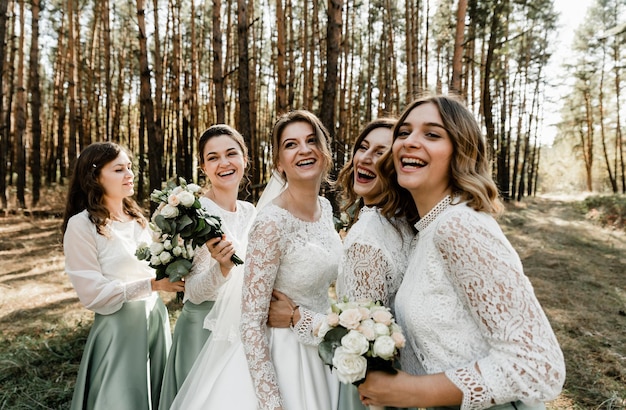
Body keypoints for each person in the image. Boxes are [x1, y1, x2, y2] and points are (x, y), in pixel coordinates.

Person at [357, 95, 566, 409]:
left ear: (461, 152)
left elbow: (539, 365)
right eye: (404, 133)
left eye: (432, 134)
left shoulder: (459, 227)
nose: (410, 142)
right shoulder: (427, 228)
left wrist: (411, 391)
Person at [171, 110, 342, 410]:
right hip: (280, 353)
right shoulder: (271, 220)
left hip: (319, 346)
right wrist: (270, 401)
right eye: (291, 144)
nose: (303, 149)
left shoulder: (325, 208)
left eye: (311, 140)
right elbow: (250, 321)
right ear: (278, 161)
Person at [268, 118, 416, 410]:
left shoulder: (369, 235)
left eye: (380, 153)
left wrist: (298, 317)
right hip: (395, 382)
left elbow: (360, 337)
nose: (365, 158)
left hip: (365, 386)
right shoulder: (402, 222)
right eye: (363, 147)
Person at [62, 141, 184, 410]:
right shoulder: (81, 225)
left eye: (129, 167)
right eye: (119, 169)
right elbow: (91, 292)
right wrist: (152, 285)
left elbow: (158, 260)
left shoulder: (138, 218)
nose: (129, 174)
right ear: (95, 177)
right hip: (118, 330)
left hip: (155, 320)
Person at [158, 125, 256, 409]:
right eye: (213, 157)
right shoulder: (191, 215)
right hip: (202, 329)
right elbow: (192, 292)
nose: (224, 163)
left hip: (241, 328)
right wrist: (222, 268)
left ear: (244, 158)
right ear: (203, 166)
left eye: (231, 154)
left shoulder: (252, 212)